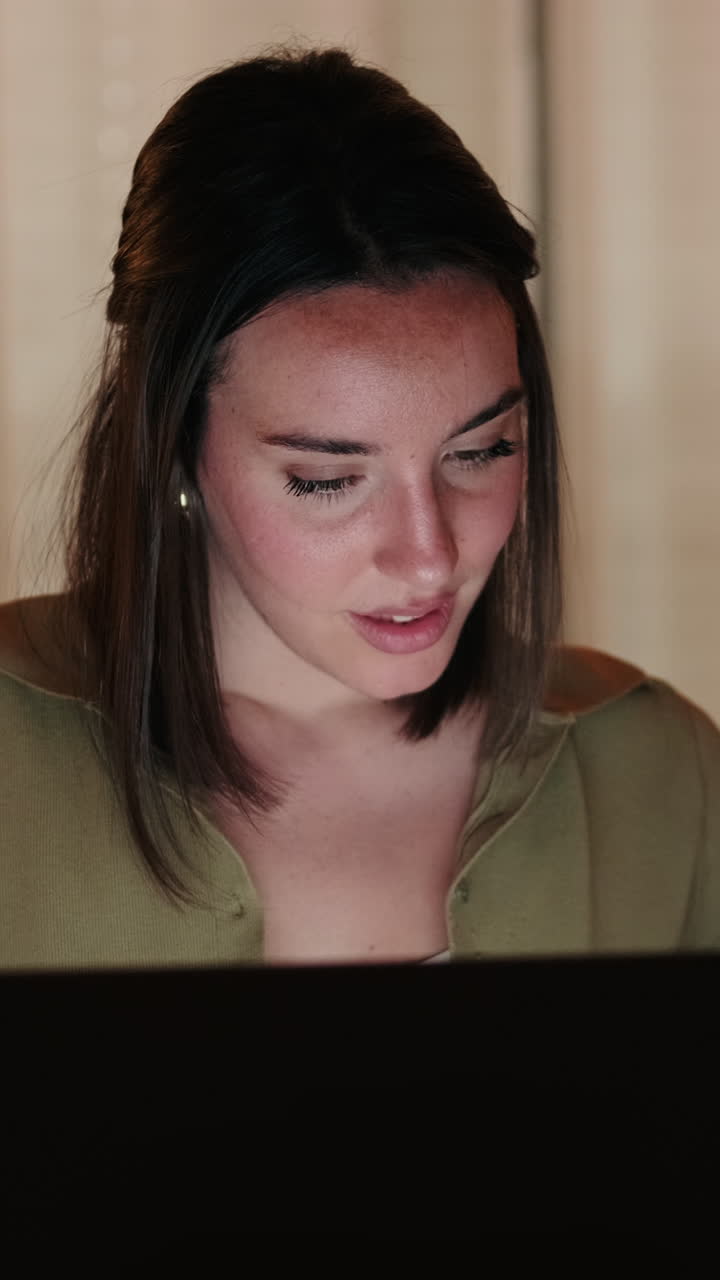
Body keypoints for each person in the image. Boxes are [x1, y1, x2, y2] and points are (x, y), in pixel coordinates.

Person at [1, 45, 718, 970]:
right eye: (329, 480)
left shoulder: (657, 780)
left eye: (481, 451)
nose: (428, 556)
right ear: (172, 444)